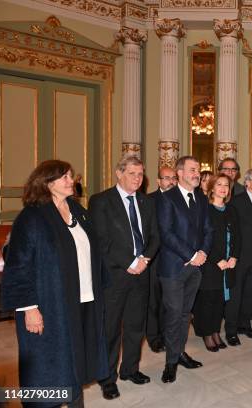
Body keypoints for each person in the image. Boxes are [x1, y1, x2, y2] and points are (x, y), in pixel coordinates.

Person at [2, 160, 108, 407]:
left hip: (82, 299)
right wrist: (29, 308)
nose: (72, 181)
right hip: (48, 305)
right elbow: (18, 266)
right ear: (47, 183)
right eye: (65, 177)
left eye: (71, 176)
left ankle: (74, 402)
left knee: (76, 360)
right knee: (48, 366)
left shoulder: (77, 210)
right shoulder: (32, 217)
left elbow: (92, 251)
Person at [89, 156, 160, 400]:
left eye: (140, 174)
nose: (138, 179)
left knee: (135, 326)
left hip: (142, 274)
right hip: (115, 275)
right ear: (119, 174)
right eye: (132, 174)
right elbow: (101, 239)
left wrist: (145, 260)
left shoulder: (146, 201)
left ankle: (130, 369)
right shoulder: (101, 201)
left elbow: (154, 237)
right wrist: (131, 262)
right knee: (110, 329)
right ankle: (107, 378)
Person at [156, 156, 213, 383]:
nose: (197, 173)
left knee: (184, 315)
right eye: (192, 169)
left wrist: (203, 254)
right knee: (173, 315)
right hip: (173, 267)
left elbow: (209, 230)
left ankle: (179, 352)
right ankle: (170, 363)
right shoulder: (167, 198)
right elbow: (166, 233)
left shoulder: (200, 198)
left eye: (198, 169)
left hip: (195, 267)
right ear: (179, 173)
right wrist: (191, 255)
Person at [192, 174, 240, 351]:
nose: (223, 188)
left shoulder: (231, 210)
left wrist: (234, 256)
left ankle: (215, 331)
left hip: (228, 264)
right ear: (212, 187)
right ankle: (206, 333)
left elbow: (238, 236)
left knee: (220, 301)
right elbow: (201, 239)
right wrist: (216, 260)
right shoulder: (204, 209)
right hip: (210, 263)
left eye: (226, 185)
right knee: (208, 300)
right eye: (219, 184)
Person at [224, 168, 252, 345]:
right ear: (247, 182)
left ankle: (245, 324)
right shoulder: (236, 202)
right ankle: (231, 330)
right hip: (238, 257)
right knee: (235, 295)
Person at [146, 167, 178, 354]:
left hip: (175, 259)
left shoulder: (181, 200)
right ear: (158, 181)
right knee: (154, 300)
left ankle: (168, 335)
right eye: (166, 178)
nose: (171, 181)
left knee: (171, 301)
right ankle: (154, 337)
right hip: (155, 258)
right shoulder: (149, 200)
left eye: (174, 178)